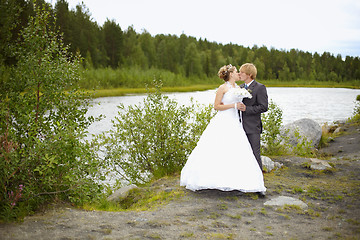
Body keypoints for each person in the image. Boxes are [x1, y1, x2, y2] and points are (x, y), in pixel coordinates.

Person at [180, 64, 266, 195]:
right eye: (237, 71)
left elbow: (260, 106)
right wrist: (234, 105)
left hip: (238, 123)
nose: (238, 74)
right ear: (231, 74)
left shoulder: (239, 88)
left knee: (238, 151)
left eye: (240, 72)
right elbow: (216, 106)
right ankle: (214, 179)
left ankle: (248, 182)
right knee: (218, 148)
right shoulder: (223, 88)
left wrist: (242, 107)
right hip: (224, 120)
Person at [238, 63, 268, 171]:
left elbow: (264, 107)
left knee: (255, 154)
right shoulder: (239, 88)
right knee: (241, 154)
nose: (239, 74)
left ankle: (258, 181)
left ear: (249, 74)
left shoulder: (260, 88)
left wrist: (247, 109)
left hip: (252, 127)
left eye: (242, 72)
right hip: (238, 126)